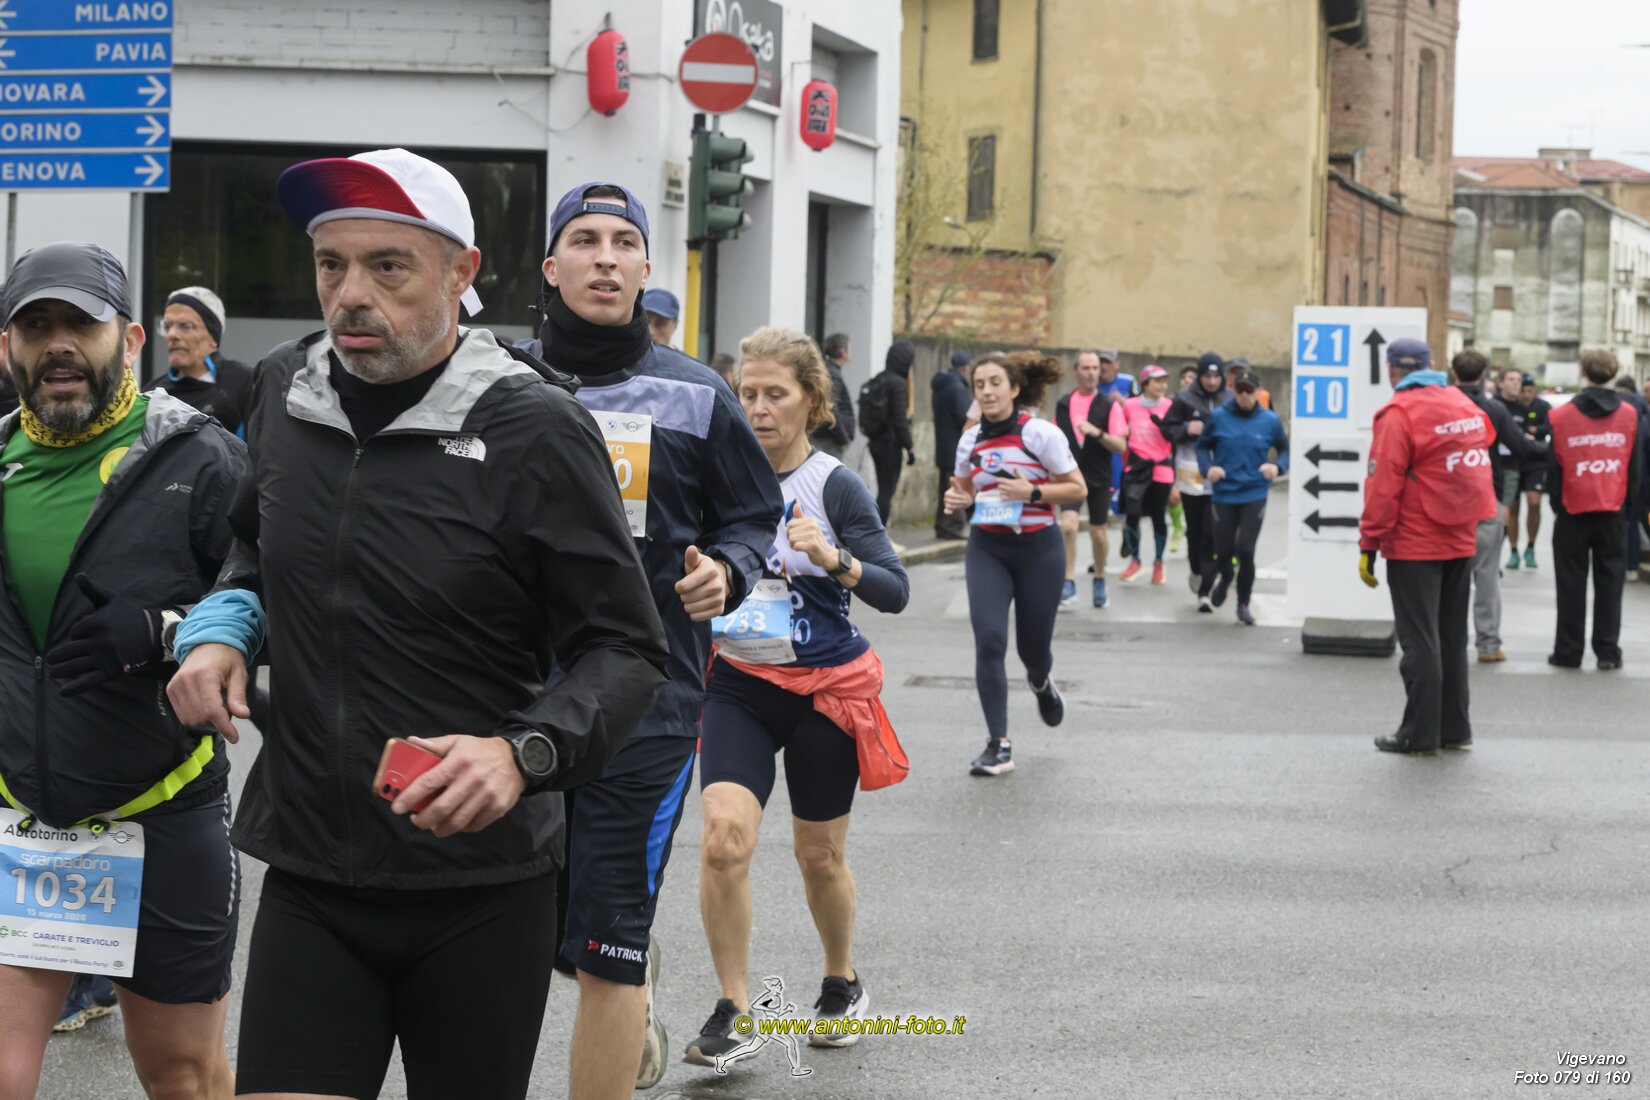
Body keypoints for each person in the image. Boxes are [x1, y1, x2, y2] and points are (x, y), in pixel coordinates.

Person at [166, 150, 672, 1100]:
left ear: (460, 272)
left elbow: (628, 649)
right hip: (314, 866)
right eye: (331, 265)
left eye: (387, 266)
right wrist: (226, 623)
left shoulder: (537, 427)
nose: (351, 295)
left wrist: (522, 753)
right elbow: (253, 547)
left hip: (480, 888)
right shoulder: (283, 390)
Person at [518, 181, 783, 1096]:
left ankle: (624, 982)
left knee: (607, 937)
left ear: (643, 268)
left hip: (648, 702)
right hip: (510, 695)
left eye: (623, 242)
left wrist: (729, 572)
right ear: (551, 267)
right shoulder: (498, 383)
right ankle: (630, 999)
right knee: (537, 930)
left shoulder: (698, 394)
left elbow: (751, 516)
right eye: (585, 240)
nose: (605, 257)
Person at [0, 242, 247, 1100]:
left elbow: (280, 609)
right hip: (21, 822)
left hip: (160, 814)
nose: (59, 344)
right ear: (8, 348)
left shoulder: (201, 459)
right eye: (37, 326)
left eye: (82, 323)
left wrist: (164, 631)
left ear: (131, 339)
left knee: (181, 1075)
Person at [686, 326, 908, 1069]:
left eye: (774, 394)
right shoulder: (715, 481)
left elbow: (895, 590)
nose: (757, 408)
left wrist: (832, 557)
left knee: (818, 855)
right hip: (738, 686)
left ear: (811, 400)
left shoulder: (833, 485)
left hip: (823, 692)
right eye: (746, 393)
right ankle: (734, 1009)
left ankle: (841, 980)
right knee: (723, 839)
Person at [944, 352, 1086, 776]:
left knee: (1032, 651)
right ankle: (998, 744)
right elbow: (964, 489)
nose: (987, 391)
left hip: (1039, 550)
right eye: (979, 385)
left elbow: (1076, 488)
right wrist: (958, 498)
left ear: (1015, 389)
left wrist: (1033, 492)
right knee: (989, 641)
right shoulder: (970, 440)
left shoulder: (1040, 434)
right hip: (988, 548)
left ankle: (1041, 681)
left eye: (995, 383)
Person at [1358, 338, 1496, 755]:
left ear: (1391, 371)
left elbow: (1383, 484)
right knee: (1452, 637)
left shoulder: (1399, 413)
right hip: (1461, 534)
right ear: (1431, 365)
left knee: (1419, 641)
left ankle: (1419, 733)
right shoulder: (1463, 404)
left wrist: (1370, 541)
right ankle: (1455, 728)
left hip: (1415, 541)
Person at [1545, 349, 1643, 671]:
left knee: (1570, 583)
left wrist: (1556, 503)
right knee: (1611, 584)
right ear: (1613, 373)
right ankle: (1607, 651)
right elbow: (1634, 467)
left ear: (1583, 373)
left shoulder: (1561, 416)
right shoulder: (1629, 415)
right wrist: (1628, 508)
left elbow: (1554, 465)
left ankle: (1568, 651)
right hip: (1613, 508)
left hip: (1573, 508)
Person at [1451, 349, 1547, 662]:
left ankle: (1447, 642)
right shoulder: (1493, 409)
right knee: (1487, 573)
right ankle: (1488, 644)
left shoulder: (1441, 405)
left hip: (1445, 498)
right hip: (1484, 494)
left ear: (1454, 374)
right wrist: (1550, 449)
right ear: (1483, 376)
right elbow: (1519, 445)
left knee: (1448, 573)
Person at [1195, 367, 1288, 625]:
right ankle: (1226, 576)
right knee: (1224, 551)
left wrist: (1277, 467)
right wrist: (1207, 468)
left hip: (1254, 491)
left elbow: (1284, 449)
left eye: (1249, 391)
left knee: (1246, 550)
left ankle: (1243, 604)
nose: (1244, 395)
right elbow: (1202, 446)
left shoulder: (1269, 420)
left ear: (1258, 392)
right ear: (1233, 390)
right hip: (1224, 492)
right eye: (1240, 390)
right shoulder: (1219, 417)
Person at [1053, 349, 1128, 609]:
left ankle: (1099, 577)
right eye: (1086, 368)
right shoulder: (1063, 403)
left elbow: (1120, 445)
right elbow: (1054, 440)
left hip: (1099, 476)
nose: (1092, 373)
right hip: (1069, 475)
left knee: (1098, 534)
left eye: (1095, 368)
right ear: (1076, 371)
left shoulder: (1109, 405)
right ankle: (1068, 580)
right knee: (1068, 526)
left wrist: (1097, 433)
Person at [1161, 352, 1230, 595]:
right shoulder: (1184, 398)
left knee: (1212, 528)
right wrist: (1185, 428)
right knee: (1195, 529)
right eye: (1207, 376)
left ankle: (1208, 579)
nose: (1211, 382)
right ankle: (1196, 569)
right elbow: (1166, 429)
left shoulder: (1229, 399)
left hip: (1219, 472)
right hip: (1191, 472)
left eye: (1216, 377)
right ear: (1199, 376)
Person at [155, 285, 256, 437]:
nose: (172, 335)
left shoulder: (245, 382)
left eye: (185, 326)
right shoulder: (154, 394)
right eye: (167, 326)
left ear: (213, 338)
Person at [1119, 364, 1177, 585]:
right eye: (1157, 381)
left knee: (1158, 516)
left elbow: (1176, 440)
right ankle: (1135, 560)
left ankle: (1159, 563)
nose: (1162, 385)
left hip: (1161, 469)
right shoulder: (1130, 405)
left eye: (1164, 381)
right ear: (1145, 384)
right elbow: (1121, 434)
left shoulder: (1170, 406)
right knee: (1132, 514)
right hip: (1136, 469)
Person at [858, 341, 916, 523]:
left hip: (875, 442)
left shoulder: (878, 379)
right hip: (890, 444)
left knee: (882, 487)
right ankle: (878, 531)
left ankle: (876, 529)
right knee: (886, 491)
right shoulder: (898, 384)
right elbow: (900, 420)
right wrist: (909, 446)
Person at [931, 349, 973, 540]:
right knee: (955, 486)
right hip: (955, 446)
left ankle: (942, 525)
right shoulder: (957, 388)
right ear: (964, 368)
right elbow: (965, 418)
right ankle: (953, 526)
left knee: (945, 487)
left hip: (943, 445)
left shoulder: (941, 385)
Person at [1095, 348, 1134, 510]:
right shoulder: (1092, 383)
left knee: (1119, 480)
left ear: (1117, 364)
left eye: (1108, 362)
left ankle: (1121, 513)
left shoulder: (1128, 381)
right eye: (1101, 362)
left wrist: (1124, 402)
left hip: (1123, 441)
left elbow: (1142, 406)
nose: (1103, 367)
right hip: (1100, 440)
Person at [811, 333, 856, 459]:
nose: (850, 352)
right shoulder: (832, 373)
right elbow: (830, 407)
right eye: (849, 348)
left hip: (828, 438)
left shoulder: (829, 370)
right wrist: (843, 438)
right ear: (843, 352)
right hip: (830, 440)